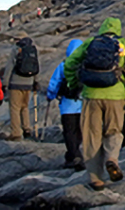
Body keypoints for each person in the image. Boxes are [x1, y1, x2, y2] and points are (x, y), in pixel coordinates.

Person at [64, 17, 125, 191]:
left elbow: (70, 63)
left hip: (91, 95)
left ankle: (95, 178)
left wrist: (74, 84)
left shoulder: (91, 43)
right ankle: (112, 159)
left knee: (91, 136)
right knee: (113, 131)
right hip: (116, 95)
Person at [47, 39, 85, 170]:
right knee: (79, 131)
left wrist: (50, 95)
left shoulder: (64, 65)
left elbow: (54, 82)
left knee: (69, 131)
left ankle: (74, 155)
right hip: (82, 104)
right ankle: (73, 155)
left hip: (67, 106)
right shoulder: (85, 64)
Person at [3, 37, 40, 141]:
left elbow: (10, 66)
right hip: (28, 83)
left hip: (16, 83)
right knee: (25, 107)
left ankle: (16, 133)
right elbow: (36, 66)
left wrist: (5, 83)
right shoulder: (33, 50)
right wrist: (36, 81)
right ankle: (27, 129)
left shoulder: (16, 50)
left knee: (14, 108)